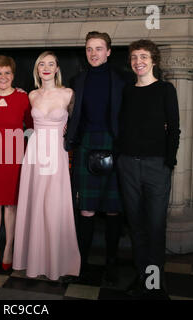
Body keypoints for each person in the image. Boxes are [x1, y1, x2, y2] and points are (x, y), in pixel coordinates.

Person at [117, 39, 180, 299]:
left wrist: (169, 162)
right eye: (134, 58)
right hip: (128, 165)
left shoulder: (166, 89)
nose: (138, 62)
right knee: (137, 225)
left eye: (143, 57)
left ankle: (154, 282)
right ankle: (142, 276)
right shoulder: (127, 91)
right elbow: (122, 125)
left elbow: (174, 129)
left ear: (153, 60)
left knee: (155, 225)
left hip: (157, 167)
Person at [64, 31, 127, 285]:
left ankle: (111, 265)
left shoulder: (123, 79)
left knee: (113, 209)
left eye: (99, 48)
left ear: (109, 51)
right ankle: (82, 263)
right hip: (86, 145)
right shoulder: (77, 80)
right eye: (89, 49)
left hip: (115, 145)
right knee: (86, 209)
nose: (93, 53)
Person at [13, 51, 81, 281]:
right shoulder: (31, 95)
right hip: (34, 150)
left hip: (57, 152)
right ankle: (32, 259)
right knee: (35, 201)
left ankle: (56, 261)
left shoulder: (68, 93)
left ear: (57, 68)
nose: (46, 67)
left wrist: (68, 132)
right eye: (42, 64)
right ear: (37, 69)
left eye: (51, 64)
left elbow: (79, 121)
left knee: (53, 203)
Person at [0, 55, 33, 271]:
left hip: (15, 155)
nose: (3, 77)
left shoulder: (23, 98)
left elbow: (31, 126)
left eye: (7, 73)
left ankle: (9, 248)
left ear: (13, 76)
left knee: (11, 204)